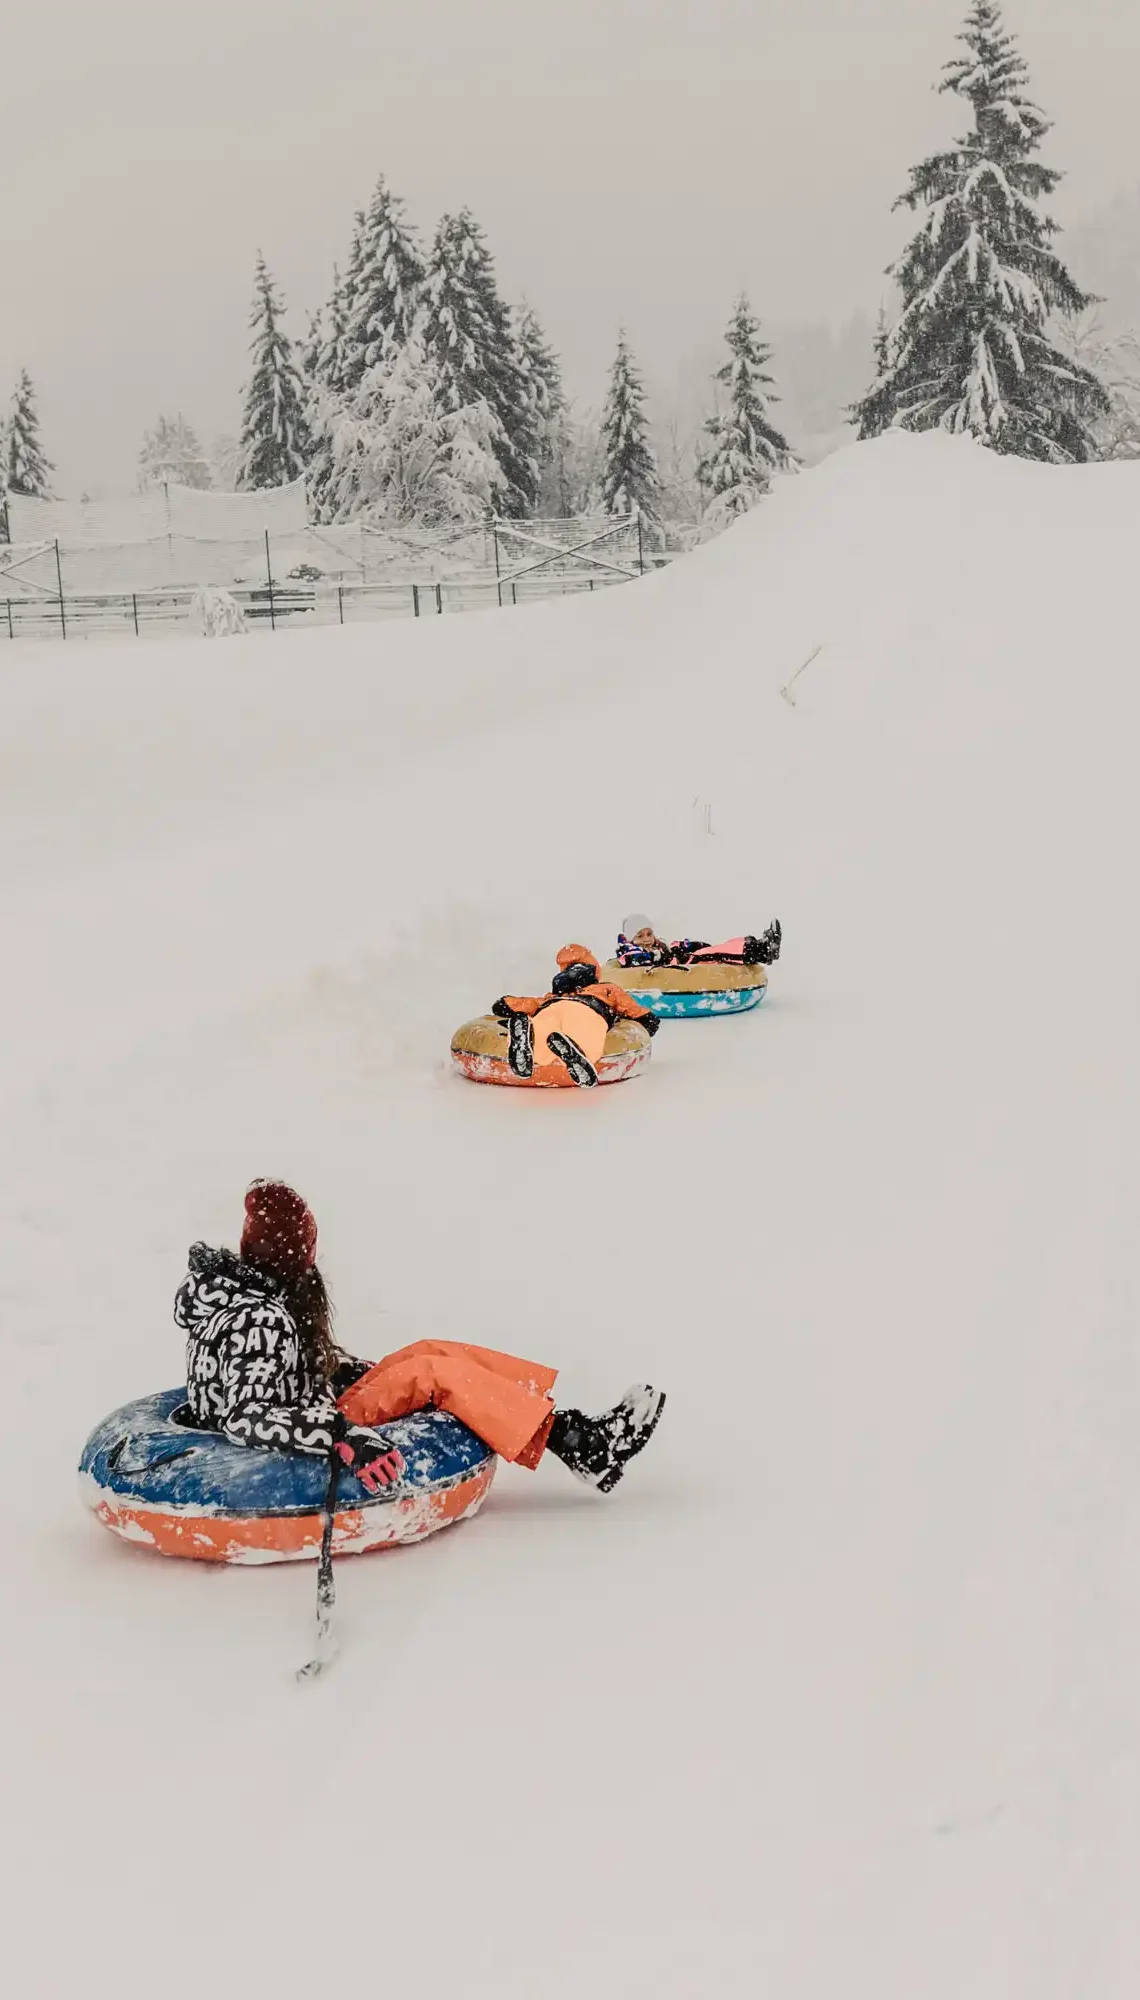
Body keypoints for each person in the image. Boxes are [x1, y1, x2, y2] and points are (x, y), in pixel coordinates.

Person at [174, 1180, 665, 1494]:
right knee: (431, 1373)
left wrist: (354, 1373)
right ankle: (582, 1443)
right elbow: (246, 1417)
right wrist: (345, 1437)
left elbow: (280, 1370)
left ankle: (568, 1431)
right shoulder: (258, 1318)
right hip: (309, 1424)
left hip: (313, 1400)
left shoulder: (247, 1294)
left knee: (425, 1352)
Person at [491, 943, 661, 1088]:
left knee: (542, 1029)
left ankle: (526, 1035)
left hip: (551, 1007)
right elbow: (634, 1010)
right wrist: (647, 1021)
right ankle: (577, 1053)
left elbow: (522, 1003)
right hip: (588, 1009)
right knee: (587, 1033)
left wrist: (506, 1004)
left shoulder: (553, 995)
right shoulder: (607, 989)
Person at [616, 913, 782, 971]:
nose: (646, 939)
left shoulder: (658, 946)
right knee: (714, 954)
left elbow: (667, 951)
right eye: (640, 936)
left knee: (717, 949)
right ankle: (762, 950)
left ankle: (757, 946)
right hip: (679, 967)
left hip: (682, 961)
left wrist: (684, 946)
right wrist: (661, 956)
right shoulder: (628, 953)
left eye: (649, 934)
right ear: (631, 938)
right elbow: (637, 959)